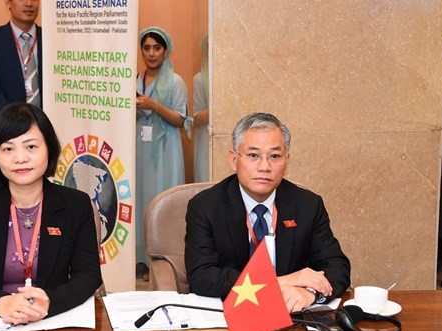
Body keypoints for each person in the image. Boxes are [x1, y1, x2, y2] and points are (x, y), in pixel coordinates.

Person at [0, 103, 102, 325]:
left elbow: (88, 275)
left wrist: (50, 302)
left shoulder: (76, 204)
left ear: (49, 149)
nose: (20, 158)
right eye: (8, 149)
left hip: (53, 321)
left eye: (31, 147)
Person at [185, 112, 350, 313]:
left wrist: (310, 293)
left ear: (286, 161)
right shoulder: (205, 206)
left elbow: (337, 266)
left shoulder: (308, 205)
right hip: (230, 313)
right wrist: (282, 281)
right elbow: (202, 276)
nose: (264, 167)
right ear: (234, 160)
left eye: (275, 156)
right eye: (253, 155)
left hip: (290, 314)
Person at [136, 26, 189, 274]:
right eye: (146, 48)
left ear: (165, 51)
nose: (151, 53)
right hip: (140, 147)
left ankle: (165, 261)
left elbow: (180, 119)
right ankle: (140, 258)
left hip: (166, 150)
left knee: (162, 197)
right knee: (140, 197)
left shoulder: (176, 82)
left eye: (156, 48)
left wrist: (154, 105)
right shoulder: (135, 79)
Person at [0, 0, 42, 116]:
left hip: (48, 121)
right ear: (8, 2)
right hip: (7, 121)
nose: (29, 4)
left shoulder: (51, 37)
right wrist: (17, 119)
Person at [193, 33, 209, 182]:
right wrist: (221, 108)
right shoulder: (199, 79)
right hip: (206, 140)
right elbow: (196, 118)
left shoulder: (234, 79)